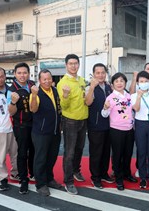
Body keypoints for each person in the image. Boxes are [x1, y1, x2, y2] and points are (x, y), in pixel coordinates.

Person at [56, 54, 88, 195]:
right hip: (70, 121)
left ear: (79, 65)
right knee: (69, 152)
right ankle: (68, 181)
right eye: (71, 63)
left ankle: (76, 171)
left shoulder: (82, 80)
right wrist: (65, 95)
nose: (74, 66)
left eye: (76, 63)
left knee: (80, 148)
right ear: (66, 65)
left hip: (83, 119)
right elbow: (64, 106)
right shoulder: (63, 83)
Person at [29, 69, 63, 196]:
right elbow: (33, 109)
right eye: (44, 79)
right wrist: (33, 95)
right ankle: (41, 184)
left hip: (54, 131)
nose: (47, 81)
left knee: (52, 157)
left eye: (49, 78)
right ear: (39, 80)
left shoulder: (54, 91)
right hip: (41, 132)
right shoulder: (36, 93)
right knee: (41, 159)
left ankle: (49, 179)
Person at [101, 72, 134, 191]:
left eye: (122, 81)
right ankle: (119, 178)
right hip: (116, 130)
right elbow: (104, 115)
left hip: (130, 129)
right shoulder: (110, 98)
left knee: (128, 154)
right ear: (113, 84)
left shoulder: (129, 96)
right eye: (116, 81)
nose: (119, 83)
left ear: (125, 82)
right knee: (117, 155)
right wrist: (105, 108)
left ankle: (127, 174)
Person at [7, 62, 35, 194]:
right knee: (23, 152)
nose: (22, 75)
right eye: (19, 73)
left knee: (34, 150)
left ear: (28, 74)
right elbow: (11, 112)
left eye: (25, 72)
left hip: (35, 124)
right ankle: (23, 179)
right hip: (21, 126)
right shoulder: (11, 89)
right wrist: (13, 101)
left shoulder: (33, 85)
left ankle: (34, 173)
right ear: (14, 74)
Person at [85, 63, 114, 189]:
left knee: (106, 152)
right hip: (95, 125)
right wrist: (92, 87)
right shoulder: (89, 87)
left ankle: (103, 174)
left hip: (109, 125)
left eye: (103, 72)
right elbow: (88, 102)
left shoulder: (109, 87)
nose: (101, 75)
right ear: (94, 74)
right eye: (98, 73)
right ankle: (95, 177)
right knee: (96, 152)